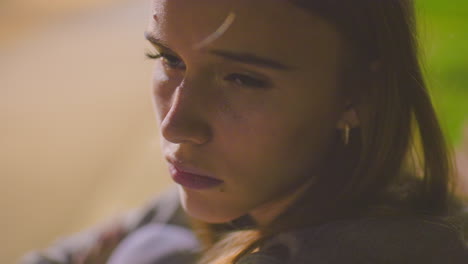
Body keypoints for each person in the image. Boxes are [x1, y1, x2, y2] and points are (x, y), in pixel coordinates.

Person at [22, 0, 468, 263]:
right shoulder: (254, 194)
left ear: (358, 94)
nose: (176, 126)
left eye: (243, 79)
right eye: (168, 57)